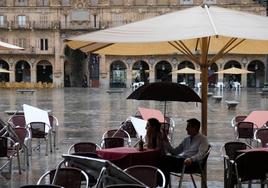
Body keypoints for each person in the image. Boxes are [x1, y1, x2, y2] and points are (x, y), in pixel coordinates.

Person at [161, 118, 209, 187]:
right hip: (181, 161)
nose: (186, 129)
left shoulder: (203, 139)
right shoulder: (186, 139)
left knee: (164, 160)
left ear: (195, 128)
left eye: (188, 126)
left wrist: (191, 159)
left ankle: (162, 184)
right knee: (163, 161)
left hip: (192, 164)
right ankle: (164, 185)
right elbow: (174, 152)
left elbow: (201, 154)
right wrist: (166, 141)